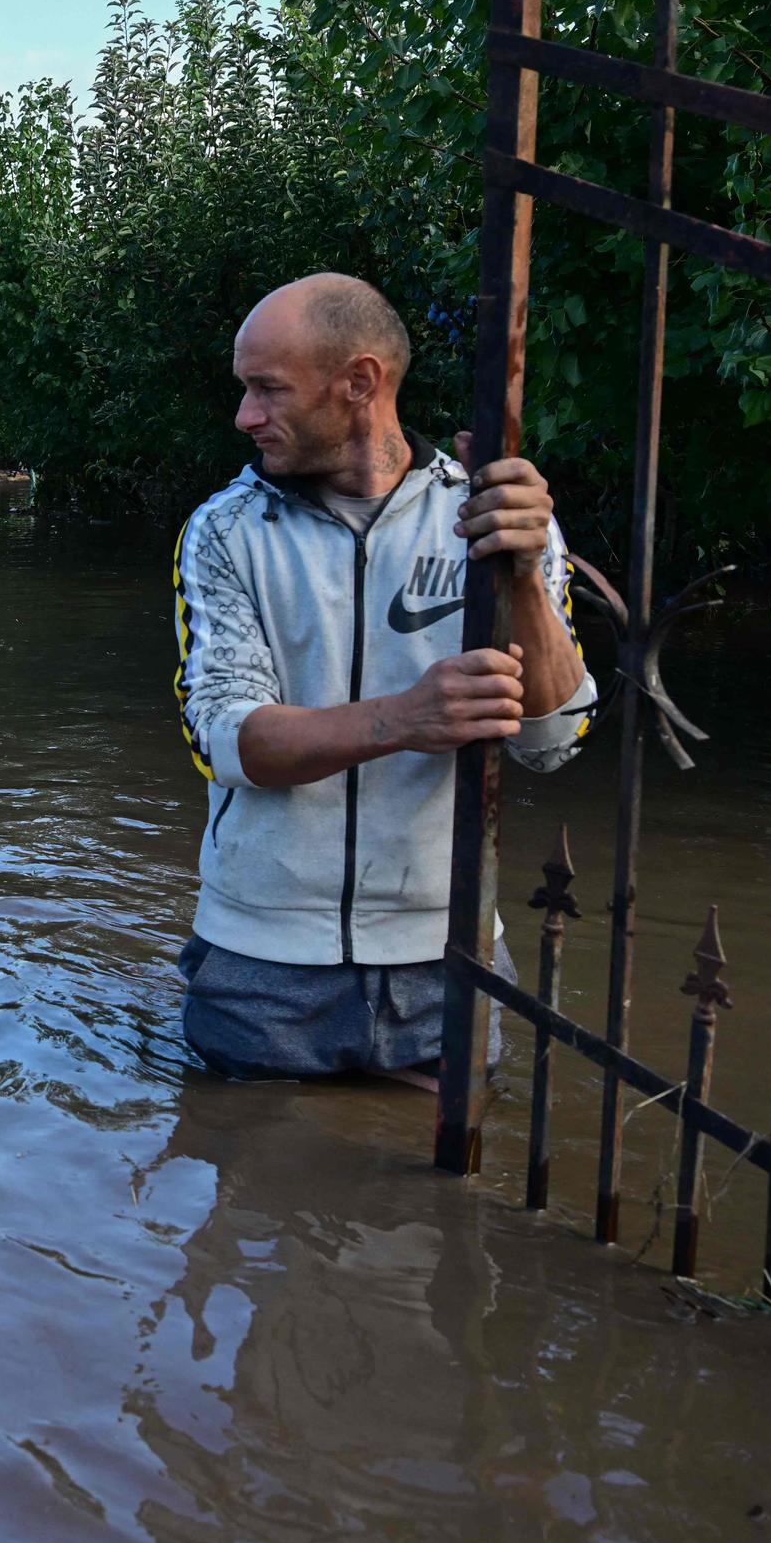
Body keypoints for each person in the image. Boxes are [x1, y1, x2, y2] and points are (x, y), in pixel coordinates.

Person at [171, 272, 595, 1081]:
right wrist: (403, 716)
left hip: (449, 958)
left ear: (360, 382)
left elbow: (554, 737)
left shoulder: (489, 512)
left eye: (267, 389)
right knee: (253, 1194)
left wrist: (523, 575)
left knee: (444, 1205)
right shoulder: (225, 530)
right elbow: (224, 738)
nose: (245, 415)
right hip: (261, 968)